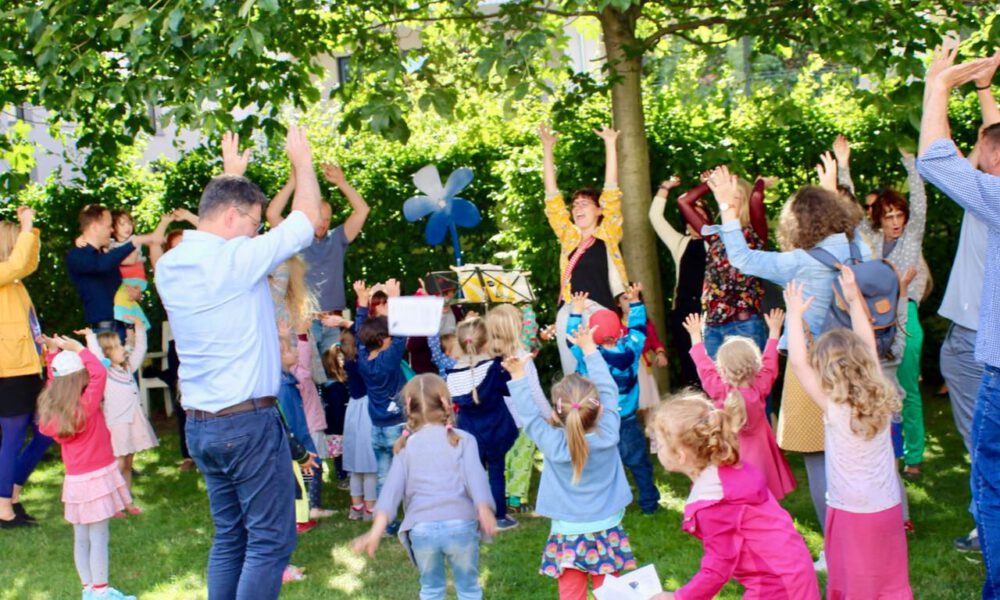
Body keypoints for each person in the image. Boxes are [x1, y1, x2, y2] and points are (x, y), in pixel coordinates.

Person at [153, 128, 323, 599]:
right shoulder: (237, 260)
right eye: (252, 222)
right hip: (246, 424)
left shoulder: (169, 266)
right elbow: (306, 219)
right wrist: (303, 163)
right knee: (271, 540)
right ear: (232, 217)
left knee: (231, 536)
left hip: (202, 426)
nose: (257, 231)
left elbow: (221, 222)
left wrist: (233, 178)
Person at [708, 165, 869, 569]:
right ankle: (870, 532)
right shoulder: (855, 249)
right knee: (859, 450)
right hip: (858, 362)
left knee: (819, 459)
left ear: (796, 223)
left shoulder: (798, 262)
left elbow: (741, 258)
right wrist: (834, 189)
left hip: (811, 366)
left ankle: (837, 549)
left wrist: (728, 208)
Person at [916, 42, 1000, 597]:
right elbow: (988, 145)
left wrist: (937, 86)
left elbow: (938, 158)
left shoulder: (991, 198)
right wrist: (986, 90)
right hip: (972, 345)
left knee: (992, 485)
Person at [786, 274, 911, 598]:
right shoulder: (881, 400)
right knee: (888, 579)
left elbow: (798, 363)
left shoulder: (835, 408)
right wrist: (855, 300)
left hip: (851, 512)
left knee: (855, 582)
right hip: (887, 508)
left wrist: (794, 315)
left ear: (826, 372)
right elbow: (868, 345)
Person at [502, 326, 636, 600]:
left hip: (568, 532)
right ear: (598, 408)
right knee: (612, 594)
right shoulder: (609, 431)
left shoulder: (553, 444)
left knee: (571, 595)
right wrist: (590, 349)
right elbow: (609, 390)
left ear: (557, 411)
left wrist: (518, 376)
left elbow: (529, 417)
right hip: (607, 525)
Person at [648, 393, 819, 600]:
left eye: (659, 444)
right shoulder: (728, 471)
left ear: (681, 456)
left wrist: (678, 597)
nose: (658, 449)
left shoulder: (713, 503)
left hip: (776, 581)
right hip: (791, 567)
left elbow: (718, 567)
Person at [351, 374, 498, 600]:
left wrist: (375, 532)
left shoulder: (405, 446)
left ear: (408, 406)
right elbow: (477, 478)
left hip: (422, 530)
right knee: (469, 589)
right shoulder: (464, 439)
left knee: (431, 591)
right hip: (461, 524)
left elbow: (390, 493)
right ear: (446, 402)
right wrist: (484, 509)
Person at [834, 137, 929, 479]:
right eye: (888, 215)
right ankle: (885, 451)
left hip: (904, 318)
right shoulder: (868, 240)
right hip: (873, 323)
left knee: (908, 390)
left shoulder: (910, 238)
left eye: (899, 214)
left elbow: (920, 203)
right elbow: (849, 208)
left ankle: (914, 456)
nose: (895, 221)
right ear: (878, 218)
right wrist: (843, 164)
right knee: (875, 387)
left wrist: (910, 162)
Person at [37, 335, 136, 600]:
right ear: (79, 378)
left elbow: (55, 383)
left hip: (76, 482)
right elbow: (99, 375)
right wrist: (79, 350)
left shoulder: (54, 411)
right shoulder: (86, 406)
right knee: (99, 536)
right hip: (97, 478)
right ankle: (101, 593)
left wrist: (52, 356)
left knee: (81, 537)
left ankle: (89, 590)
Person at [539, 123, 627, 375]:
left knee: (607, 375)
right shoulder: (568, 237)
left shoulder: (608, 233)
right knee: (575, 376)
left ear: (599, 210)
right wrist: (547, 148)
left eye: (585, 204)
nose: (577, 208)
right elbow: (552, 198)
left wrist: (610, 144)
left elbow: (611, 192)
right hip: (571, 313)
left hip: (603, 313)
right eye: (575, 204)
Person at [566, 285, 661, 515]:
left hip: (598, 423)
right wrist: (636, 302)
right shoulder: (631, 348)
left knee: (602, 465)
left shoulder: (588, 355)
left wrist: (576, 312)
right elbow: (639, 329)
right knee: (639, 462)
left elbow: (571, 340)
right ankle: (649, 502)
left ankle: (608, 505)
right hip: (626, 419)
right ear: (620, 333)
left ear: (590, 334)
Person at [683, 309, 796, 501]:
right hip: (760, 460)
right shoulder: (760, 387)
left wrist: (696, 335)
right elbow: (770, 363)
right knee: (763, 500)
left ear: (722, 368)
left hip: (730, 457)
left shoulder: (718, 389)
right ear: (755, 364)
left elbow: (704, 366)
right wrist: (774, 332)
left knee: (736, 499)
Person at [267, 163, 370, 358]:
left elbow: (362, 211)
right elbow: (272, 214)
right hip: (305, 320)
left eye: (327, 219)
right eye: (319, 218)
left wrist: (342, 182)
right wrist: (292, 182)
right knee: (306, 376)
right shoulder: (296, 238)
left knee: (337, 377)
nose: (323, 224)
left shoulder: (338, 237)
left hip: (335, 318)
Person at [677, 168, 774, 358]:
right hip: (713, 328)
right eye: (725, 195)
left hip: (745, 326)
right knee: (716, 386)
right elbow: (683, 201)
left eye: (734, 196)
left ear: (743, 201)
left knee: (752, 387)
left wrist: (760, 183)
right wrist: (712, 183)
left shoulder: (755, 233)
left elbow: (755, 197)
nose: (728, 198)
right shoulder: (714, 235)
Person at [441, 316, 519, 529]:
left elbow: (456, 400)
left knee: (473, 474)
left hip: (469, 430)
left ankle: (474, 515)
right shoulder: (493, 369)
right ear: (486, 342)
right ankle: (499, 516)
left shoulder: (453, 374)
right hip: (495, 428)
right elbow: (507, 388)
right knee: (496, 471)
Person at [0, 205, 52, 528]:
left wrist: (30, 233)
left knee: (48, 431)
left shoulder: (14, 281)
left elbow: (27, 261)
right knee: (13, 437)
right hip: (11, 372)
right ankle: (4, 510)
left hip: (28, 368)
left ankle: (12, 494)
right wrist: (27, 223)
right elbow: (20, 261)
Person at [80, 317, 158, 516]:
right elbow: (95, 356)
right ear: (107, 353)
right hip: (117, 423)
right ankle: (113, 502)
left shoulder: (127, 368)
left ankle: (127, 501)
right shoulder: (105, 371)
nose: (123, 348)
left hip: (133, 420)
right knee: (118, 463)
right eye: (117, 346)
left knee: (129, 463)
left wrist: (139, 328)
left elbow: (139, 348)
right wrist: (90, 337)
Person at [486, 303, 546, 515]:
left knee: (499, 459)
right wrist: (548, 415)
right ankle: (515, 498)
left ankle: (497, 496)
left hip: (495, 420)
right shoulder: (522, 357)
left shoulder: (486, 357)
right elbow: (535, 390)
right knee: (520, 457)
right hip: (523, 419)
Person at [648, 176, 707, 388]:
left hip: (709, 313)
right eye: (691, 215)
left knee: (712, 368)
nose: (694, 220)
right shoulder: (680, 243)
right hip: (683, 313)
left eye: (699, 215)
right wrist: (665, 188)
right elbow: (655, 217)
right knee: (690, 369)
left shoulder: (717, 243)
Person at [67, 204, 158, 338]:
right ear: (95, 227)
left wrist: (136, 293)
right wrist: (133, 242)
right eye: (109, 226)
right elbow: (100, 265)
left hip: (127, 327)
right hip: (105, 332)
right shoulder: (78, 255)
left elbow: (117, 284)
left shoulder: (107, 254)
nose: (111, 230)